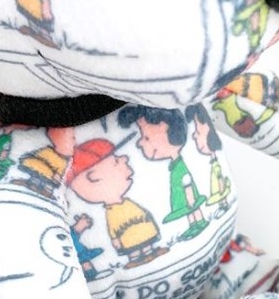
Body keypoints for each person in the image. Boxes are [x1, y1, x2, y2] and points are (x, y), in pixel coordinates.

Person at [68, 137, 169, 269]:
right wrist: (115, 240)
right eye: (116, 161)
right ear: (95, 178)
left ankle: (149, 253)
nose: (125, 158)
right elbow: (113, 229)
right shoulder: (112, 212)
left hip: (144, 233)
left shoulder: (127, 204)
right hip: (129, 239)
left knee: (145, 245)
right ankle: (135, 259)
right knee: (133, 249)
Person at [118, 106, 209, 241]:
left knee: (191, 207)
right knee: (187, 209)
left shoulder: (179, 167)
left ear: (165, 128)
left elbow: (186, 180)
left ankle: (199, 222)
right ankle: (193, 224)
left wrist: (190, 197)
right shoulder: (175, 166)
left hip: (188, 195)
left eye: (146, 138)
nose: (140, 143)